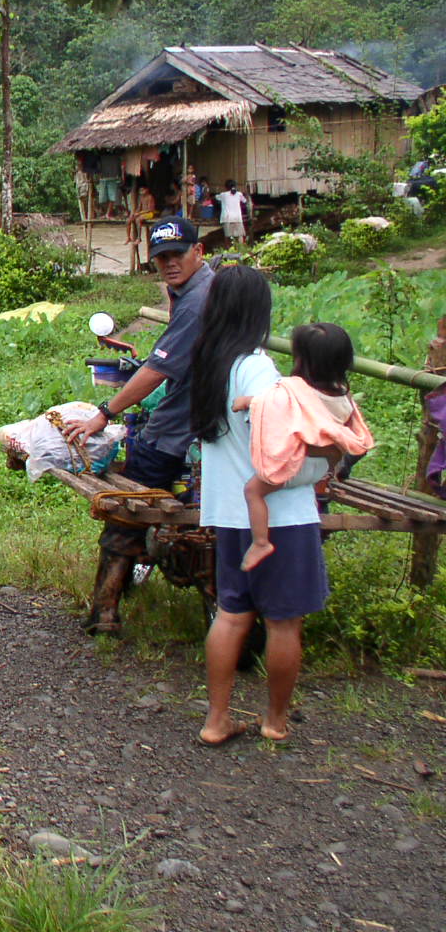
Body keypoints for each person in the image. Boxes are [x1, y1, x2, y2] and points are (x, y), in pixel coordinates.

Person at [189, 267, 341, 744]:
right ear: (258, 311)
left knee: (231, 614)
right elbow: (282, 445)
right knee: (283, 621)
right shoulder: (256, 367)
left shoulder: (209, 361)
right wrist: (331, 455)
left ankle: (216, 720)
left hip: (231, 511)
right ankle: (274, 720)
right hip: (282, 517)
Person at [64, 217, 214, 634]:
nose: (169, 264)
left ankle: (105, 610)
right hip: (217, 418)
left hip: (180, 426)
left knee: (128, 505)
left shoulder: (197, 302)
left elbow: (155, 371)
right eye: (161, 258)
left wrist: (103, 414)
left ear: (198, 252)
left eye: (177, 255)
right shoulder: (204, 288)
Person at [235, 323, 373, 572]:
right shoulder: (343, 395)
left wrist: (247, 401)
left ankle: (260, 542)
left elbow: (270, 406)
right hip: (321, 469)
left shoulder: (296, 392)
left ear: (301, 359)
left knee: (253, 492)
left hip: (293, 465)